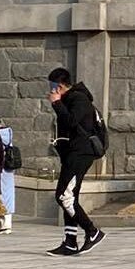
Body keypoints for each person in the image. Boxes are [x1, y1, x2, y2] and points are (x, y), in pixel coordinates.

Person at [47, 67, 105, 256]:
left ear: (60, 86)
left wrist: (56, 104)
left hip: (81, 152)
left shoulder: (79, 99)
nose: (50, 90)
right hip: (73, 153)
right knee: (70, 197)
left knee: (63, 196)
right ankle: (70, 242)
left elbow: (71, 122)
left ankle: (92, 231)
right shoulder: (71, 99)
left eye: (52, 86)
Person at [0, 108, 17, 234]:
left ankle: (4, 225)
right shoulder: (8, 132)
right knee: (8, 193)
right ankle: (6, 223)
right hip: (8, 167)